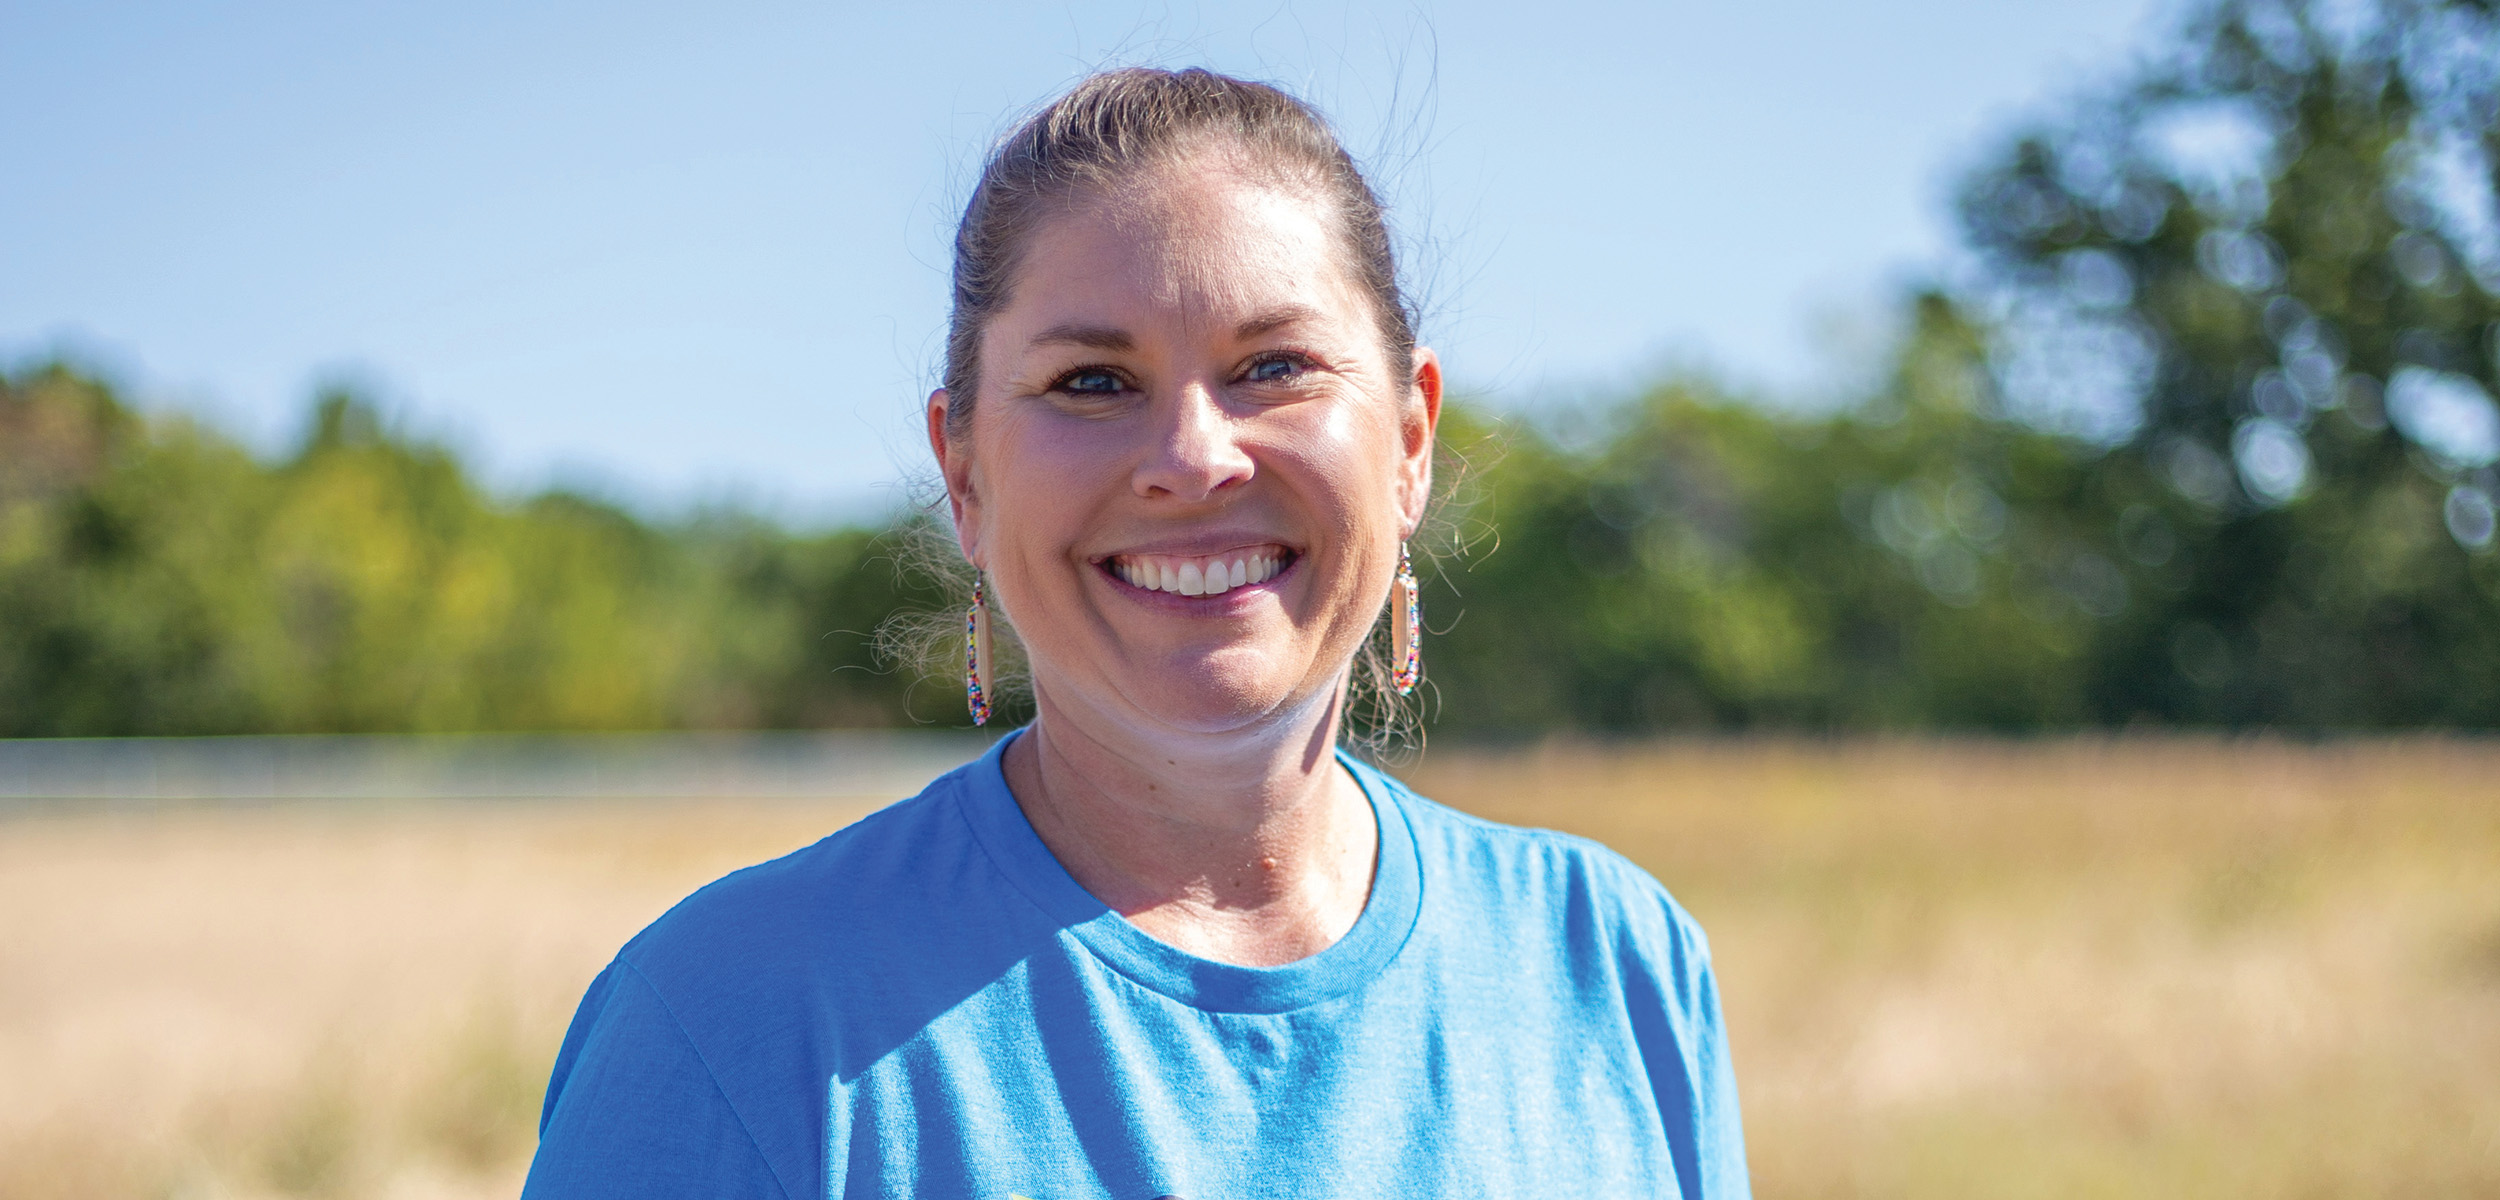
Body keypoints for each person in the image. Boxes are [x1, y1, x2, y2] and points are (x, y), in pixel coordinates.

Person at [521, 67, 1748, 1199]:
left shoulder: (1616, 967)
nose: (1192, 460)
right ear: (965, 474)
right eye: (1091, 383)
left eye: (1273, 366)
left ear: (1411, 442)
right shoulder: (731, 1020)